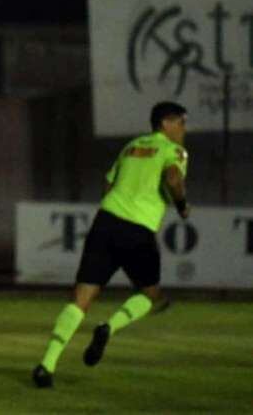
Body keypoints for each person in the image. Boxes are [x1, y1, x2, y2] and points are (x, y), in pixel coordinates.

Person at [32, 101, 190, 388]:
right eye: (181, 122)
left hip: (105, 222)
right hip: (138, 229)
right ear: (166, 123)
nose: (184, 129)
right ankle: (108, 327)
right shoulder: (174, 151)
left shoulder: (131, 147)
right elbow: (173, 177)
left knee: (80, 299)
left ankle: (46, 365)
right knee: (151, 295)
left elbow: (107, 183)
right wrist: (181, 205)